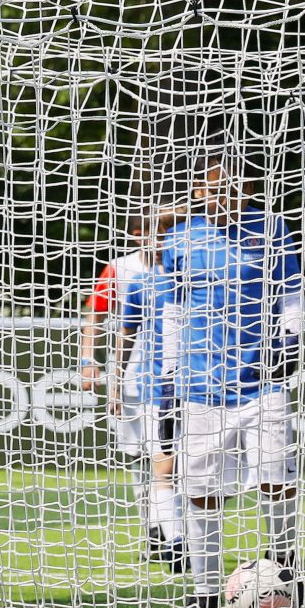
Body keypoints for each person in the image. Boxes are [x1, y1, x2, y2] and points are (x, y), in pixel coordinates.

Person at [160, 157, 305, 608]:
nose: (225, 197)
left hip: (262, 380)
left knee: (275, 477)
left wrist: (291, 340)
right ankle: (206, 591)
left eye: (235, 188)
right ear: (198, 192)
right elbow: (172, 310)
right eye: (215, 188)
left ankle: (285, 570)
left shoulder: (272, 228)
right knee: (202, 491)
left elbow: (291, 291)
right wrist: (167, 377)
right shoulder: (180, 238)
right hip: (200, 383)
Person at [82, 206, 186, 568]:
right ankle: (156, 532)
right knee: (140, 459)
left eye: (167, 233)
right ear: (137, 234)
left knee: (168, 461)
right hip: (134, 380)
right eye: (153, 232)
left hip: (180, 380)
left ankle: (172, 534)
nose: (160, 240)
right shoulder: (121, 269)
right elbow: (96, 315)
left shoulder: (191, 267)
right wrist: (90, 361)